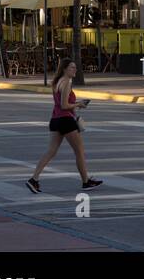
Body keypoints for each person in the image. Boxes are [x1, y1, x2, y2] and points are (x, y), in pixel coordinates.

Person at [26, 59, 103, 193]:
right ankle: (86, 181)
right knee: (79, 151)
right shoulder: (66, 83)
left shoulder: (57, 82)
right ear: (64, 69)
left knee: (51, 152)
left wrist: (75, 113)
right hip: (65, 121)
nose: (75, 70)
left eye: (75, 67)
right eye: (72, 68)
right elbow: (64, 105)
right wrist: (78, 104)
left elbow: (62, 105)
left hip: (55, 120)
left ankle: (34, 179)